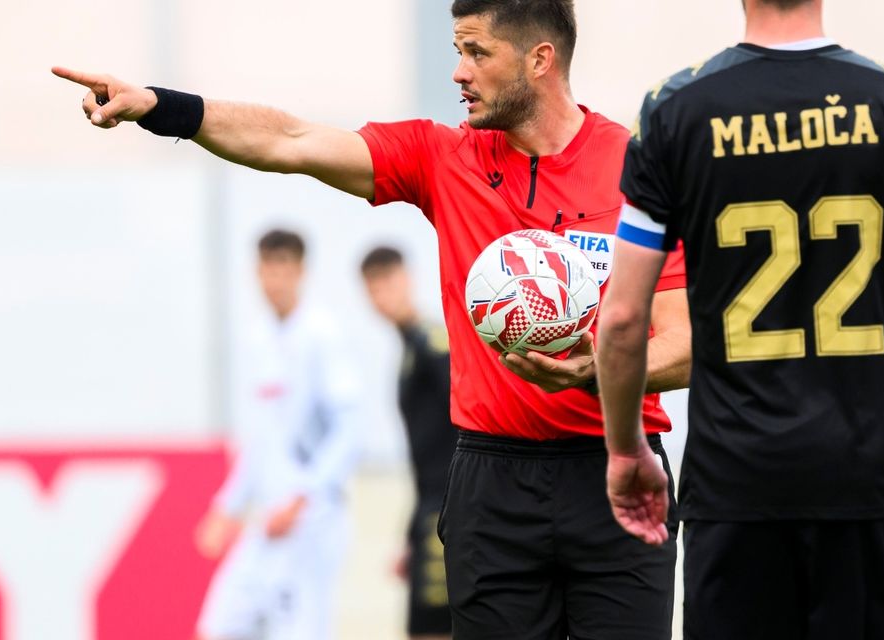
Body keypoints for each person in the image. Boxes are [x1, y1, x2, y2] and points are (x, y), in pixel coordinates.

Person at [54, 1, 692, 637]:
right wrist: (161, 107)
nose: (458, 72)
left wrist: (595, 371)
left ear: (539, 60)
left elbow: (686, 343)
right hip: (491, 484)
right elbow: (290, 139)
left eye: (477, 52)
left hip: (618, 471)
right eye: (457, 51)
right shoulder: (444, 156)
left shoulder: (635, 169)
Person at [596, 0, 884, 638]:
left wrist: (625, 447)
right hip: (872, 483)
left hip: (733, 486)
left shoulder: (673, 109)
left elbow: (624, 318)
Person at [193, 230, 362, 640]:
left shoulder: (322, 334)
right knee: (218, 627)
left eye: (283, 267)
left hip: (311, 520)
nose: (274, 280)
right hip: (267, 519)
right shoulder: (258, 338)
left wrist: (304, 497)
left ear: (301, 271)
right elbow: (263, 437)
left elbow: (350, 430)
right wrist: (228, 506)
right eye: (267, 268)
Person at [359, 246, 456, 640]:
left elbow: (466, 424)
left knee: (436, 631)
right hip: (428, 515)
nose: (383, 296)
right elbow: (424, 457)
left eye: (389, 282)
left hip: (446, 515)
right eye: (373, 288)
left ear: (407, 279)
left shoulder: (433, 344)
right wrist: (410, 532)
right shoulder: (409, 348)